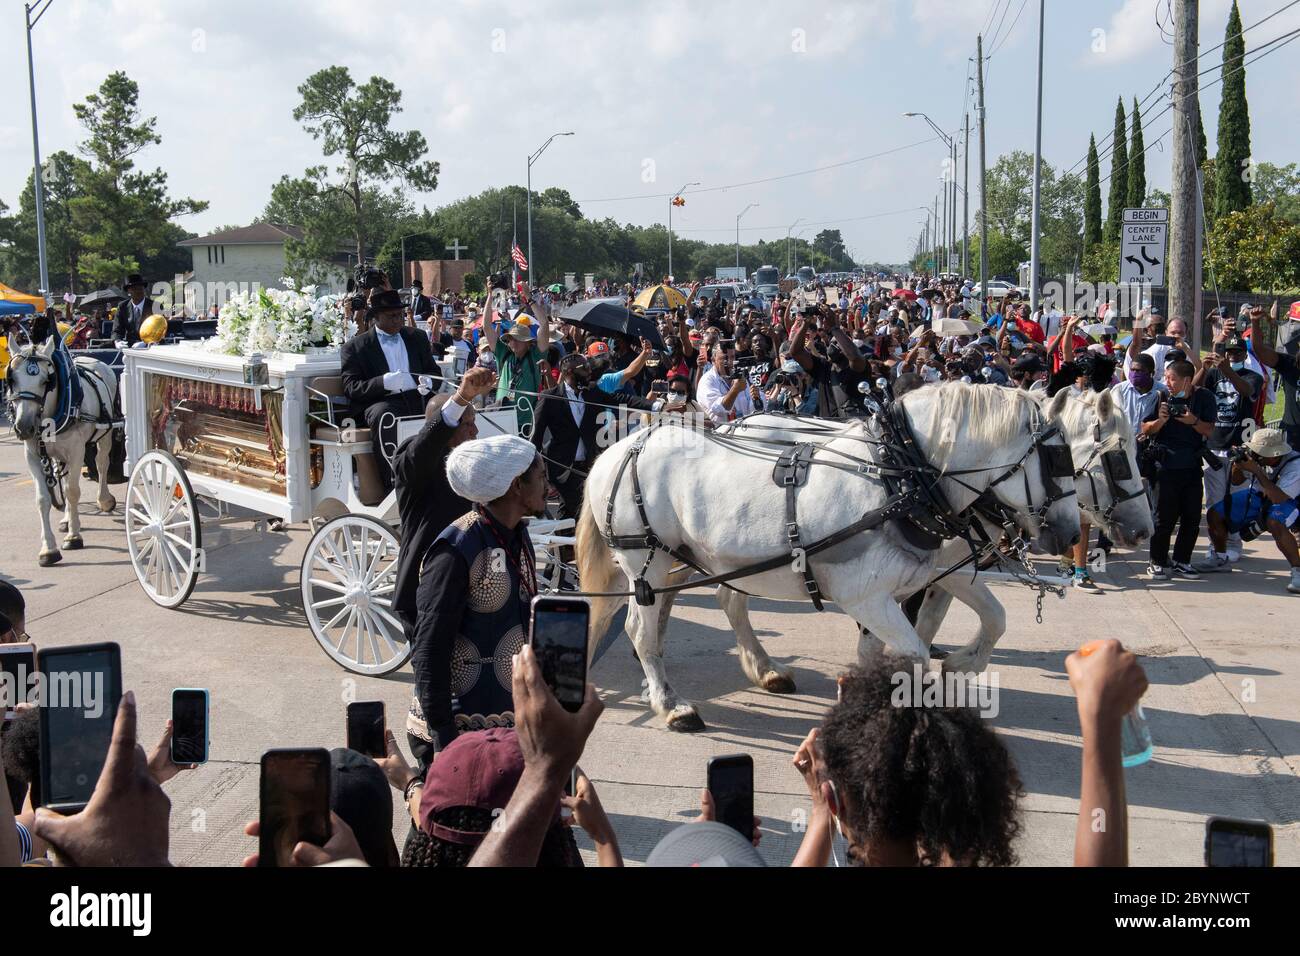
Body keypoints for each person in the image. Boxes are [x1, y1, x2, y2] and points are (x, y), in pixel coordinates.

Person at [407, 434, 547, 770]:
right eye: (541, 476)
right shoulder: (456, 550)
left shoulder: (516, 533)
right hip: (460, 738)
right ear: (516, 486)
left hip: (506, 733)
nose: (548, 485)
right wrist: (444, 743)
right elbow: (428, 651)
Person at [392, 367, 497, 642]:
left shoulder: (469, 460)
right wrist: (461, 397)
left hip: (466, 584)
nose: (475, 430)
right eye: (466, 423)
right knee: (431, 676)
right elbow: (424, 448)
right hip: (425, 587)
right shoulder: (412, 456)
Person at [529, 352, 669, 519]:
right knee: (582, 507)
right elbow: (536, 436)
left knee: (570, 511)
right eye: (583, 369)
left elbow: (621, 399)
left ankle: (566, 542)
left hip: (588, 463)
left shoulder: (592, 391)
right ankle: (574, 542)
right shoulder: (550, 398)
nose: (589, 371)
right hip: (563, 466)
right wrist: (535, 471)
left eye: (589, 367)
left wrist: (655, 406)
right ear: (568, 373)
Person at [340, 288, 443, 492]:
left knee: (444, 407)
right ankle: (394, 482)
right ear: (376, 317)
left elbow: (434, 372)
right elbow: (351, 388)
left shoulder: (417, 337)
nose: (398, 320)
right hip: (382, 402)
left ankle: (442, 475)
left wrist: (429, 382)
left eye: (400, 315)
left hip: (418, 397)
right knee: (385, 415)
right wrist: (383, 382)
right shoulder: (356, 347)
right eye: (391, 316)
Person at [1201, 428, 1300, 590]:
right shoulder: (1257, 459)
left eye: (1258, 452)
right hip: (1261, 496)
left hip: (1291, 501)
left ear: (1274, 454)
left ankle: (1298, 571)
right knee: (1215, 513)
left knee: (1274, 521)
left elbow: (1280, 498)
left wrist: (1256, 470)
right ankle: (1219, 558)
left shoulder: (1295, 464)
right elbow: (1236, 482)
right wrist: (1238, 466)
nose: (1254, 454)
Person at [1142, 359, 1215, 580]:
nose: (1167, 382)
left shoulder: (1204, 397)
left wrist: (1192, 421)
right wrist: (1161, 421)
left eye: (1171, 378)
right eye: (1166, 378)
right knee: (1163, 519)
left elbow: (1210, 430)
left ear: (1186, 380)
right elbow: (1145, 428)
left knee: (1192, 518)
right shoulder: (1160, 396)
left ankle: (1183, 561)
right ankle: (1157, 561)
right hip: (1165, 467)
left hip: (1191, 466)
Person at [1194, 335, 1262, 567]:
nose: (1232, 356)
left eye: (1237, 353)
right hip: (1214, 447)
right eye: (1229, 352)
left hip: (1240, 448)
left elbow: (1245, 390)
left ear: (1244, 355)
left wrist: (1229, 371)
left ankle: (1234, 543)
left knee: (1235, 500)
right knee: (1214, 501)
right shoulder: (1214, 374)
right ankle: (1217, 546)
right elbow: (1192, 389)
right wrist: (1203, 369)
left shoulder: (1253, 376)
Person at [485, 295, 550, 434]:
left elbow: (544, 324)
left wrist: (530, 299)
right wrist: (490, 296)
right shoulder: (504, 353)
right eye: (510, 339)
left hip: (525, 423)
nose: (513, 342)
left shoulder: (535, 355)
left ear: (528, 342)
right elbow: (486, 327)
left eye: (518, 339)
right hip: (500, 419)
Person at [112, 274, 156, 347]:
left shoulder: (155, 306)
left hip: (150, 346)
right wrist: (117, 341)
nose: (138, 291)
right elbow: (117, 330)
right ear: (128, 291)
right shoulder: (122, 306)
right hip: (129, 346)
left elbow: (159, 330)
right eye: (135, 288)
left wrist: (146, 342)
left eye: (141, 288)